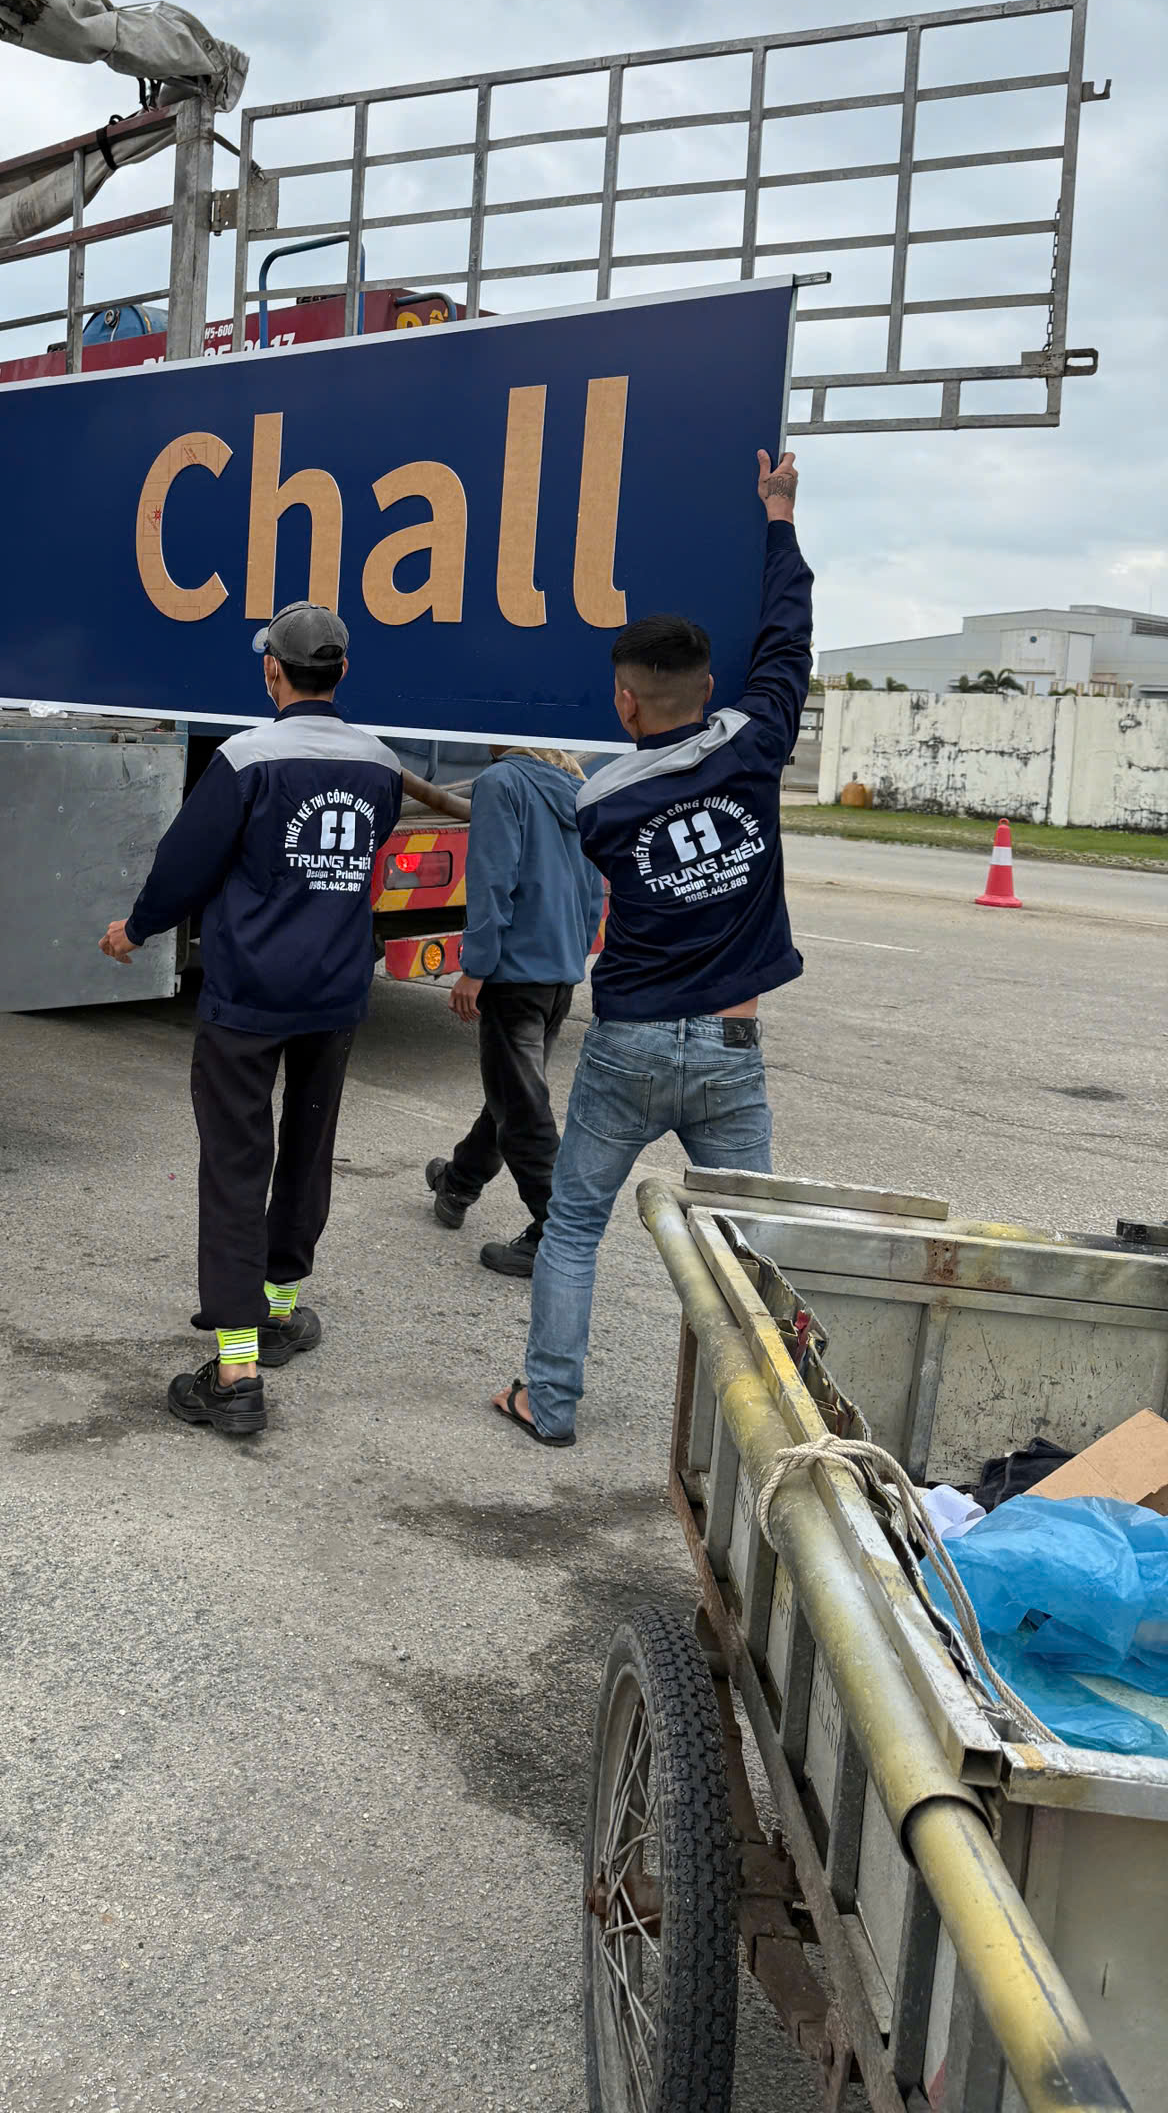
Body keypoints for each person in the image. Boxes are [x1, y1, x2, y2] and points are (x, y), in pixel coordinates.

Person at [493, 449, 809, 1447]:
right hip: (730, 1046)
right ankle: (768, 1437)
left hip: (628, 1042)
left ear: (624, 704)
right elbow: (787, 641)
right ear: (709, 686)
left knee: (575, 1225)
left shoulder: (599, 800)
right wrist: (778, 518)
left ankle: (549, 1403)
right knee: (747, 1250)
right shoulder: (756, 741)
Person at [100, 603, 404, 1438]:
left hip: (249, 993)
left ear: (273, 671)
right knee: (308, 1149)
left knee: (237, 1164)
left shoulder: (244, 759)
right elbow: (363, 859)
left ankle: (236, 1372)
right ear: (343, 672)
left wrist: (137, 928)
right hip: (335, 990)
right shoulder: (381, 765)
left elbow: (186, 865)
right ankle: (278, 1312)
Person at [423, 745, 601, 1274]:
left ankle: (555, 1234)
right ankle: (459, 1182)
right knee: (511, 1092)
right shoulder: (575, 789)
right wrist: (572, 951)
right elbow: (593, 887)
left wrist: (476, 967)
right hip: (557, 971)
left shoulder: (502, 782)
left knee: (522, 1110)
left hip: (514, 973)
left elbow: (491, 878)